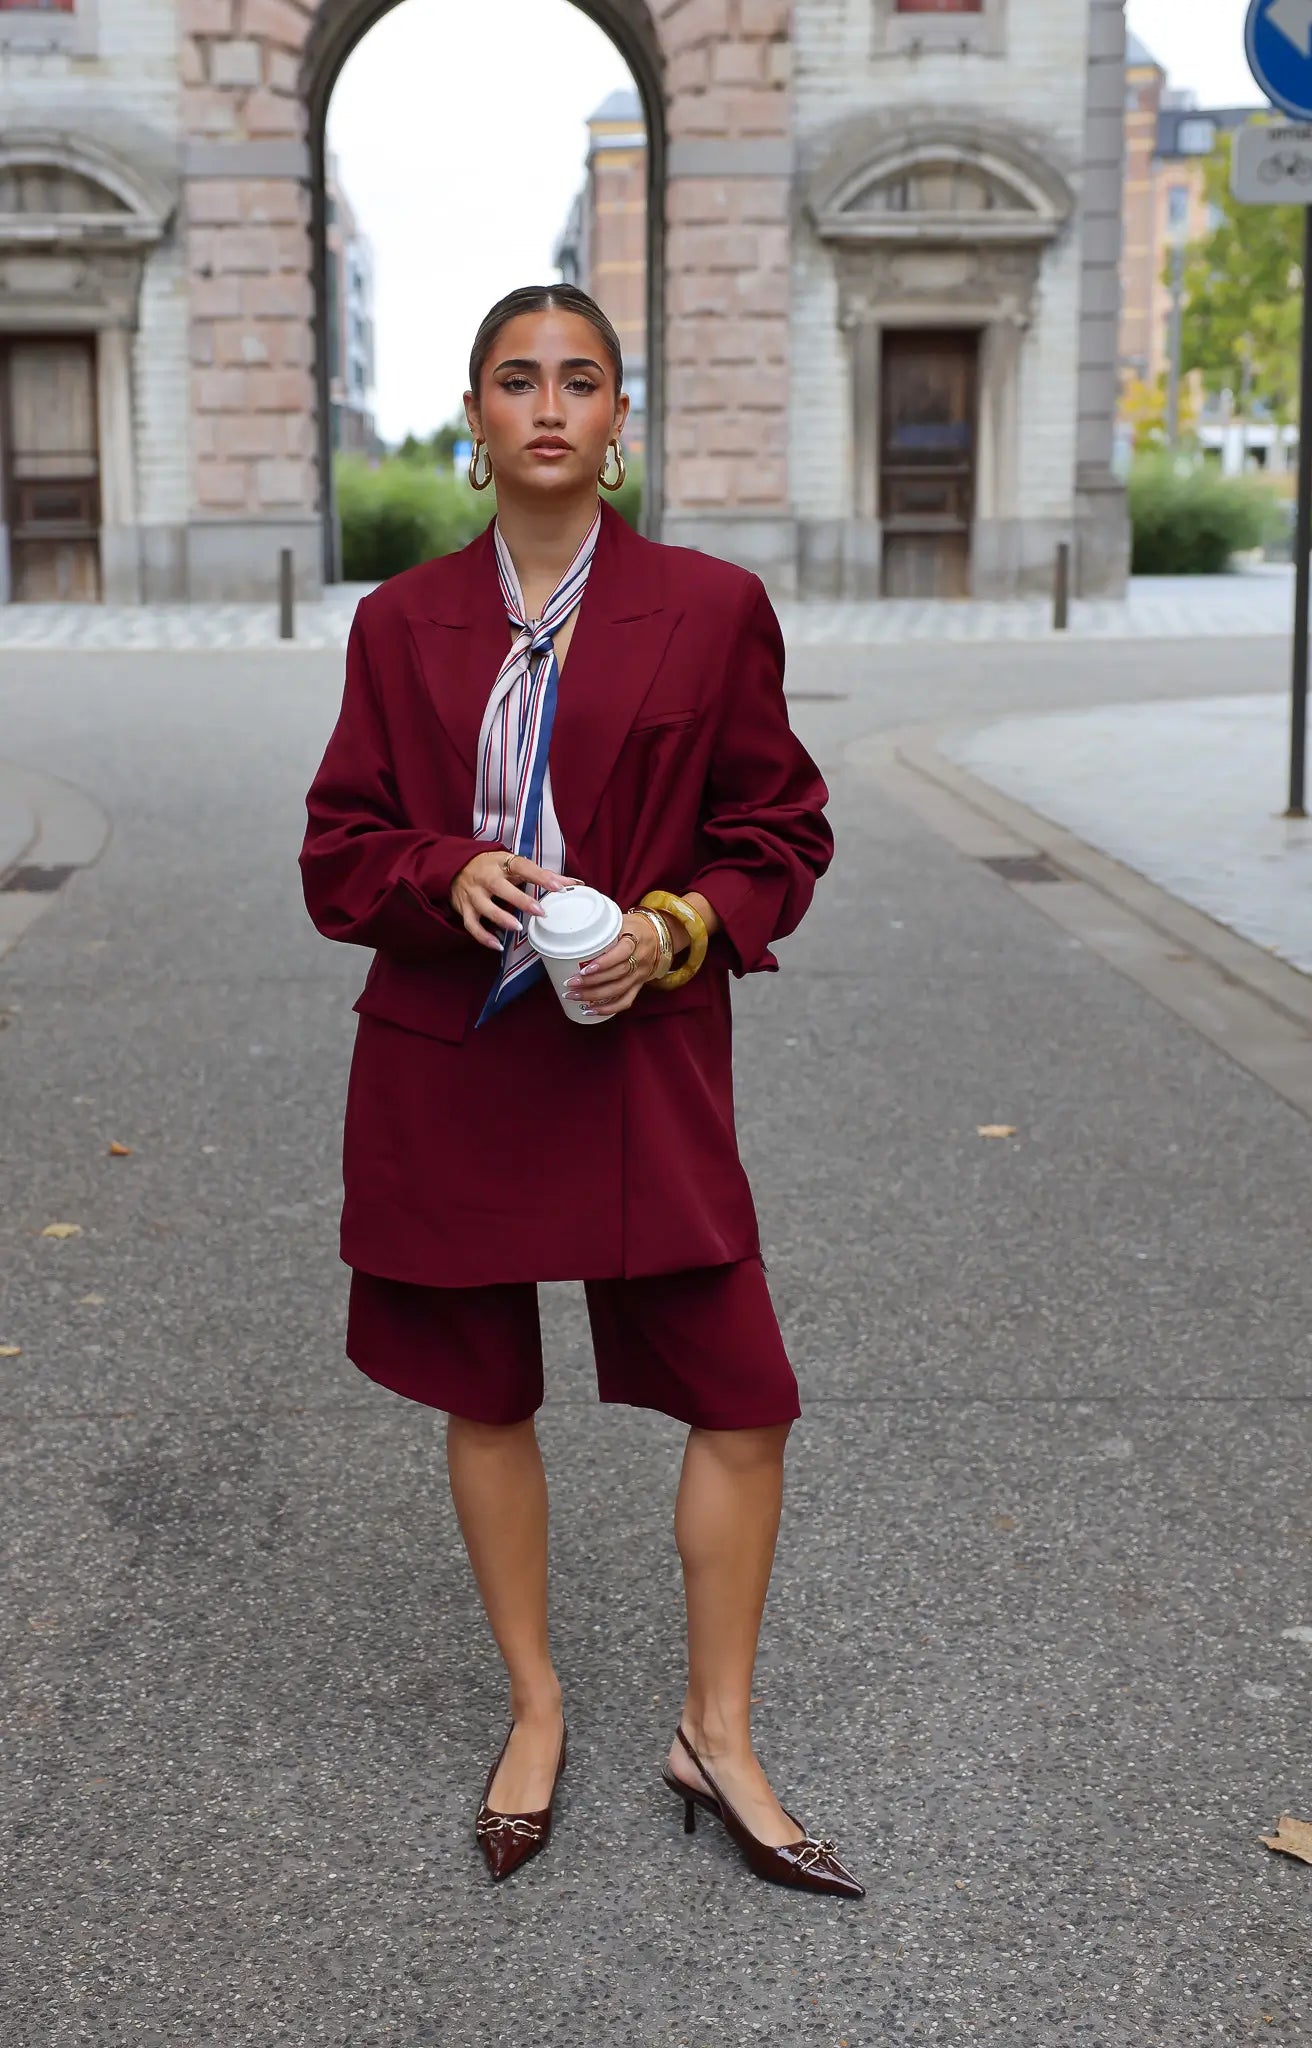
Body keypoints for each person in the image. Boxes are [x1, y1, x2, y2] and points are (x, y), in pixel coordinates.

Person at [299, 283, 860, 1898]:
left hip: (636, 1053)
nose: (549, 403)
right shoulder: (398, 622)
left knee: (743, 1391)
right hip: (450, 1057)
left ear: (623, 420)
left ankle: (718, 1730)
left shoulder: (708, 605)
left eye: (582, 379)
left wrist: (681, 926)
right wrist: (446, 868)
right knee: (487, 1388)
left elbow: (780, 832)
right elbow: (337, 849)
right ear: (471, 421)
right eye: (514, 378)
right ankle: (535, 1708)